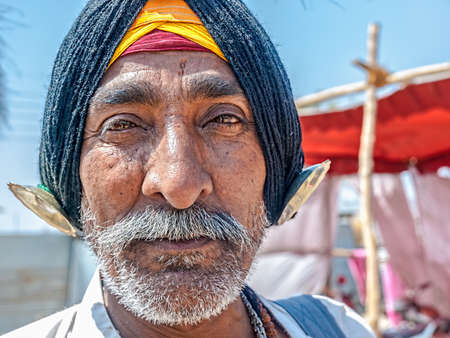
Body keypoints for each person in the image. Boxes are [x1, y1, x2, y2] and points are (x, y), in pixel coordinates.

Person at [5, 0, 375, 337]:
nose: (178, 185)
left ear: (273, 175)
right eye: (123, 125)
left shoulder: (339, 329)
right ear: (73, 178)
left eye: (224, 121)